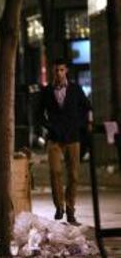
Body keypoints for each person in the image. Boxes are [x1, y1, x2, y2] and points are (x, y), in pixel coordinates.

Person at [37, 58, 92, 225]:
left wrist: (81, 124)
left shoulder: (75, 89)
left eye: (61, 70)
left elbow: (86, 107)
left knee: (74, 175)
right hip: (54, 137)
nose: (59, 73)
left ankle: (70, 208)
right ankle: (59, 206)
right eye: (56, 70)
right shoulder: (47, 91)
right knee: (55, 171)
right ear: (52, 71)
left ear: (66, 70)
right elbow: (39, 113)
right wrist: (49, 127)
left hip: (73, 137)